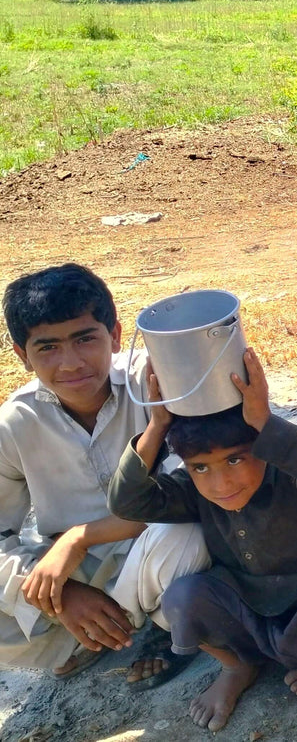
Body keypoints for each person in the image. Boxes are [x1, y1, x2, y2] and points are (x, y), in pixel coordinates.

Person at [108, 348, 297, 732]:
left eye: (235, 460)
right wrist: (158, 425)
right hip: (248, 618)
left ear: (262, 447)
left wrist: (263, 419)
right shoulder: (194, 492)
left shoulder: (291, 479)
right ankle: (237, 666)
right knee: (183, 596)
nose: (220, 483)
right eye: (200, 467)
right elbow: (128, 501)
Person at [0, 263, 209, 685]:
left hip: (157, 550)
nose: (71, 363)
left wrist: (80, 537)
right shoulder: (15, 423)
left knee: (187, 537)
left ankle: (164, 631)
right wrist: (61, 597)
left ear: (114, 335)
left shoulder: (155, 383)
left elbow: (192, 496)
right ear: (23, 356)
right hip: (80, 574)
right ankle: (91, 632)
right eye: (48, 348)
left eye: (85, 339)